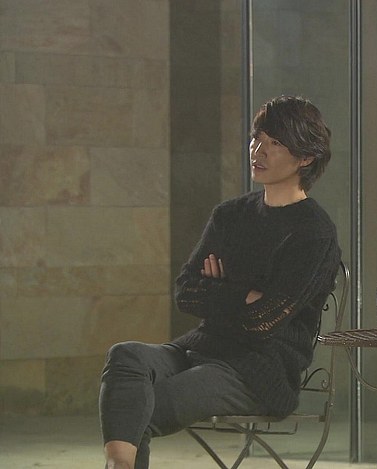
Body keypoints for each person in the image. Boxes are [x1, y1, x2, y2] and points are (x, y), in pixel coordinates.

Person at [99, 96, 342, 469]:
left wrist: (221, 290)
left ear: (305, 158)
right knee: (126, 355)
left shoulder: (314, 232)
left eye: (275, 142)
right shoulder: (230, 215)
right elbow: (185, 292)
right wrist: (244, 294)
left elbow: (265, 320)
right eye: (257, 137)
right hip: (202, 349)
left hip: (258, 371)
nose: (258, 150)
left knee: (138, 409)